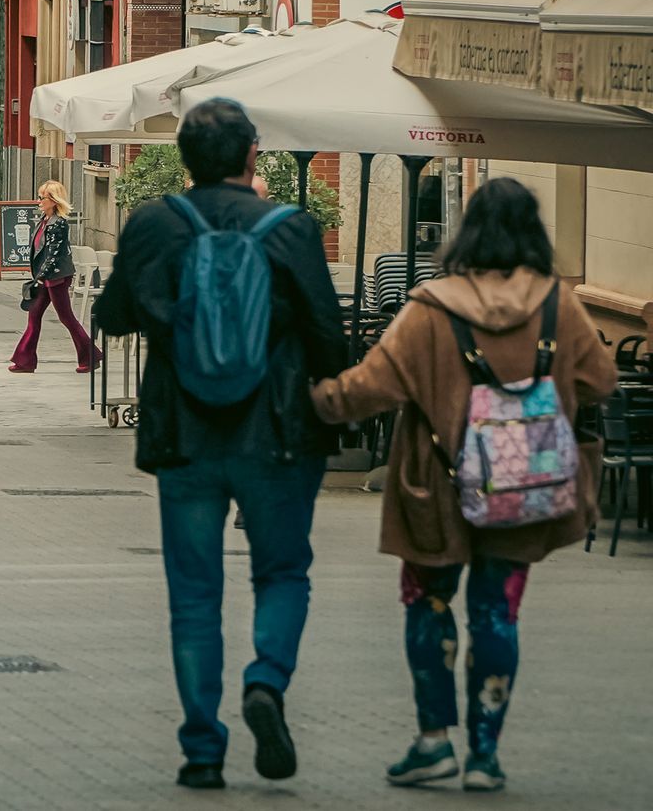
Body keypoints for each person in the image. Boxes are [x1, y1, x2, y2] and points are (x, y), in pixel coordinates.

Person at [310, 178, 615, 793]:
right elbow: (601, 380)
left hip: (435, 489)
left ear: (467, 230)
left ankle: (433, 743)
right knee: (497, 614)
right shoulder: (560, 306)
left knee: (428, 604)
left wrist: (310, 401)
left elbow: (367, 388)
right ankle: (485, 754)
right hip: (525, 492)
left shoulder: (430, 308)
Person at [92, 98, 346, 791]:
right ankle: (266, 680)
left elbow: (110, 316)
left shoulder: (153, 224)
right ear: (251, 157)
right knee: (283, 572)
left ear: (184, 158)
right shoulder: (291, 229)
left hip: (185, 438)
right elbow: (330, 339)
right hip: (281, 438)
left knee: (195, 593)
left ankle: (202, 747)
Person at [9, 180, 100, 374]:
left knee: (66, 317)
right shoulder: (44, 219)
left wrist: (40, 277)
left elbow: (54, 254)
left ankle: (91, 356)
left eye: (42, 197)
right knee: (34, 317)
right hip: (45, 277)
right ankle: (25, 361)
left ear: (53, 200)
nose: (39, 200)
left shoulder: (58, 223)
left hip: (56, 277)